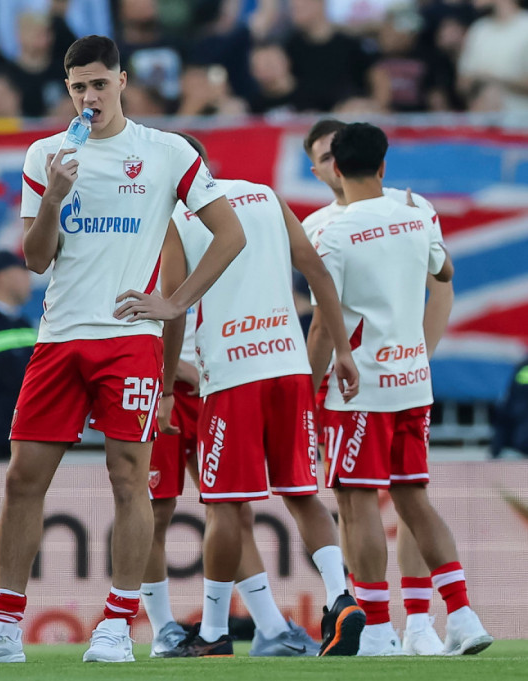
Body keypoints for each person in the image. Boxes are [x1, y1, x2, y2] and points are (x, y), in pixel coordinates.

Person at [0, 34, 246, 664]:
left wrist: (174, 303)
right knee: (24, 478)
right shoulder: (46, 154)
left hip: (128, 341)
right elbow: (36, 260)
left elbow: (230, 234)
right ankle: (2, 626)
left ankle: (116, 625)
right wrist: (54, 197)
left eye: (100, 84)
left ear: (122, 82)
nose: (90, 96)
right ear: (67, 89)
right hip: (59, 336)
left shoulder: (166, 152)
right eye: (79, 87)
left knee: (129, 478)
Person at [129, 133, 364, 658]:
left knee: (224, 506)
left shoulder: (178, 216)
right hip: (289, 367)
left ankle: (214, 631)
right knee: (301, 494)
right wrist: (343, 350)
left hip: (232, 375)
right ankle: (340, 595)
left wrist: (164, 387)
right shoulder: (264, 195)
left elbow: (173, 307)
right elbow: (317, 272)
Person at [307, 122, 493, 657]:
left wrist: (306, 389)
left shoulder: (331, 233)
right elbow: (445, 272)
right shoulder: (416, 213)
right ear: (384, 166)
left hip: (358, 387)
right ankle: (462, 615)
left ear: (334, 168)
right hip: (412, 381)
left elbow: (323, 326)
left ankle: (377, 629)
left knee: (357, 499)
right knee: (413, 496)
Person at [0, 251, 37, 460]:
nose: (30, 280)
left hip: (23, 436)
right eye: (23, 272)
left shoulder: (23, 323)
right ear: (3, 276)